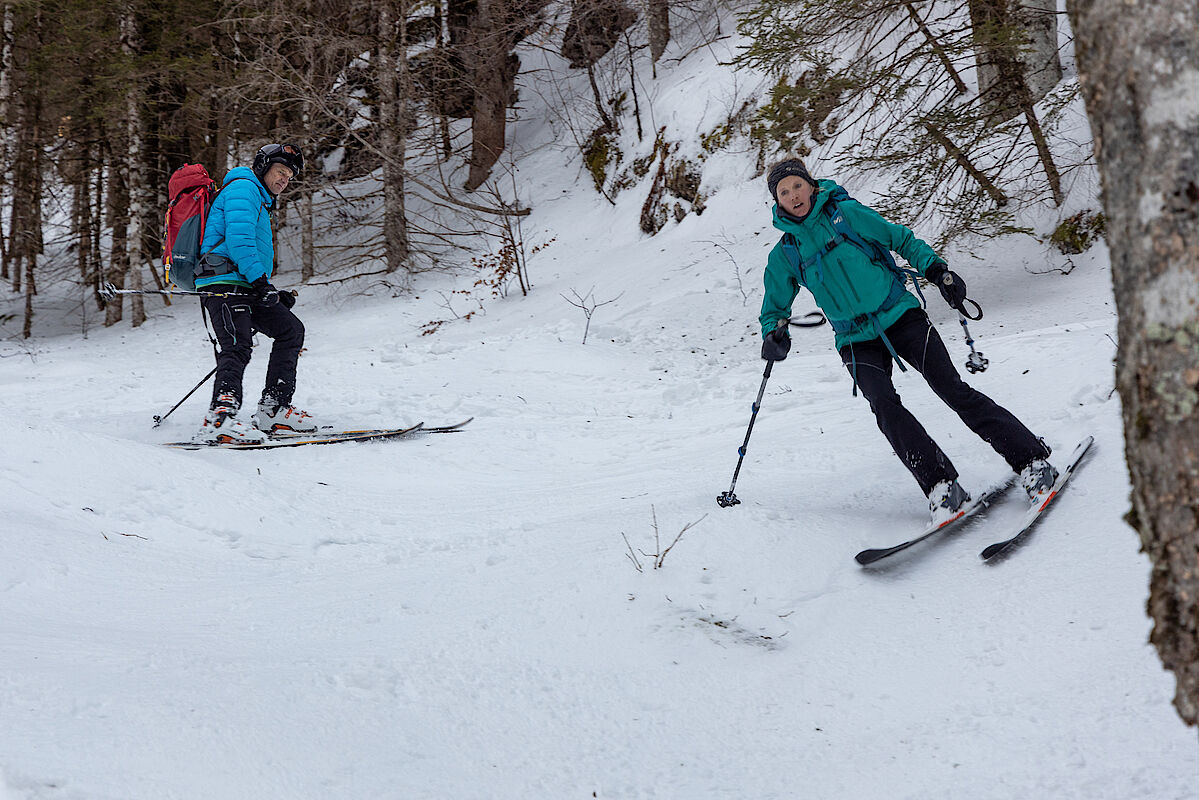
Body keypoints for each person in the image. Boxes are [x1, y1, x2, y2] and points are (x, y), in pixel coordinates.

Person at [757, 158, 1058, 524]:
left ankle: (1032, 461)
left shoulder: (846, 215)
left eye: (797, 186)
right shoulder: (785, 254)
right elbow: (774, 306)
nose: (793, 195)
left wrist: (937, 270)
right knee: (885, 408)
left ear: (811, 185)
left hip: (900, 315)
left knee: (952, 390)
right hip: (854, 339)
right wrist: (774, 333)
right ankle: (941, 487)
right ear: (778, 201)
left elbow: (899, 238)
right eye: (783, 192)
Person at [192, 143, 321, 444]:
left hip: (244, 283)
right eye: (280, 172)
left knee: (290, 330)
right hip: (223, 284)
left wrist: (268, 290)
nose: (283, 180)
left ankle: (273, 409)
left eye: (289, 176)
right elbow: (239, 241)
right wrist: (262, 284)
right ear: (263, 168)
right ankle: (219, 420)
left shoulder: (258, 199)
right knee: (237, 346)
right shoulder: (242, 189)